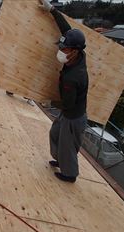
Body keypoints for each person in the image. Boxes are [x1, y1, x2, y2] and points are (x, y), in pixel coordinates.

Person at [39, 0, 89, 183]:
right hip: (69, 113)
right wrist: (52, 10)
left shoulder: (73, 77)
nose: (61, 50)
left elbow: (68, 104)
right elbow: (67, 30)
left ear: (74, 51)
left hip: (73, 115)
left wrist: (49, 103)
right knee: (55, 133)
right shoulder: (78, 53)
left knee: (68, 145)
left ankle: (69, 174)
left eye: (65, 48)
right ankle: (60, 159)